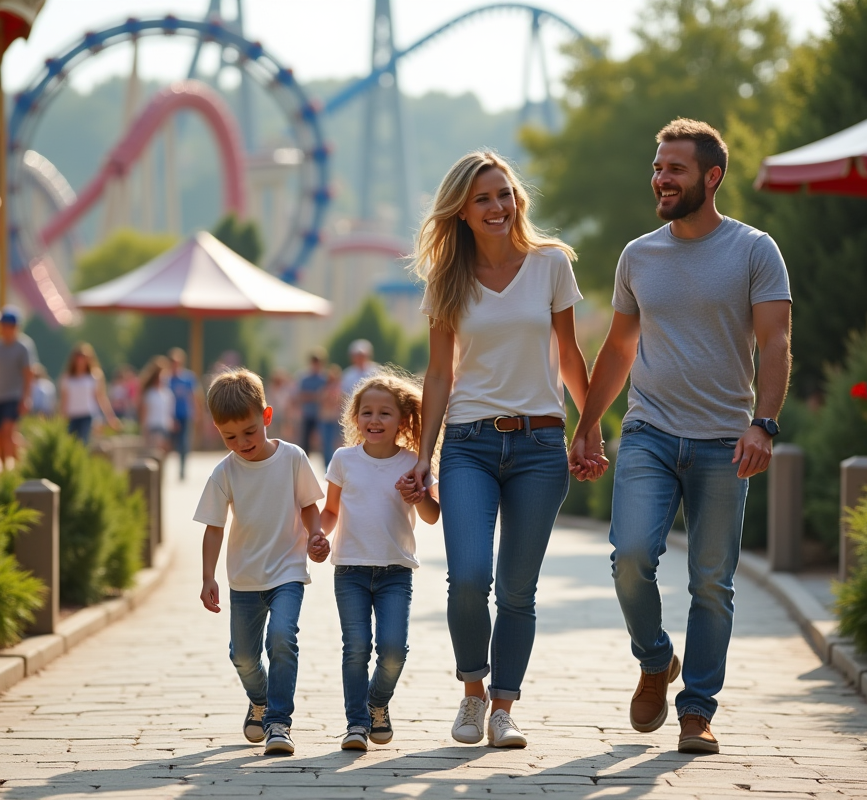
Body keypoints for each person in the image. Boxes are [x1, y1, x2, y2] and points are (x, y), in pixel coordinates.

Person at [569, 119, 792, 755]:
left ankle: (696, 708)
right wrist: (586, 427)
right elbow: (619, 346)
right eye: (658, 168)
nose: (661, 179)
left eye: (675, 169)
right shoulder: (639, 255)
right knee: (631, 555)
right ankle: (654, 657)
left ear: (711, 177)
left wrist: (764, 422)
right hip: (649, 431)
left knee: (711, 581)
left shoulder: (754, 250)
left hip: (726, 439)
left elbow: (775, 340)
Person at [404, 150, 602, 749]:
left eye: (505, 194)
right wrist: (424, 454)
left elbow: (568, 354)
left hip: (541, 444)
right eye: (483, 198)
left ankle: (504, 708)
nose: (498, 206)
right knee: (467, 577)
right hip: (468, 443)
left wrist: (589, 426)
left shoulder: (550, 266)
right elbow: (439, 375)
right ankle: (471, 692)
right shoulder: (447, 280)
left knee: (518, 588)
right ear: (461, 211)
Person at [194, 369, 328, 757]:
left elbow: (309, 505)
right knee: (243, 655)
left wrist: (316, 535)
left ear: (267, 417)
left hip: (287, 570)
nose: (241, 443)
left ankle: (278, 722)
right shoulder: (225, 472)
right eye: (229, 436)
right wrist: (207, 577)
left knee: (283, 638)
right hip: (244, 578)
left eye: (249, 432)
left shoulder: (292, 458)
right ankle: (260, 699)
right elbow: (214, 528)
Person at [319, 371, 440, 751]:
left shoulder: (414, 462)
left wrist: (416, 495)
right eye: (367, 412)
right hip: (350, 568)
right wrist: (316, 534)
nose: (375, 420)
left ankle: (376, 703)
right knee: (355, 646)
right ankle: (356, 723)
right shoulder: (343, 460)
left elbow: (433, 515)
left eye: (385, 413)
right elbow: (331, 511)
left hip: (396, 571)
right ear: (355, 419)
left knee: (393, 649)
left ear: (402, 421)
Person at [0, 307, 32, 468]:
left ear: (15, 327)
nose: (4, 329)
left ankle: (17, 467)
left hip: (14, 395)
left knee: (7, 431)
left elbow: (28, 374)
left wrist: (26, 398)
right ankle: (4, 468)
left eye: (7, 325)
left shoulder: (23, 347)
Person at [61, 343, 121, 445]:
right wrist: (61, 418)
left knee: (83, 442)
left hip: (87, 415)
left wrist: (110, 417)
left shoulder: (94, 376)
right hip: (72, 415)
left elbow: (101, 397)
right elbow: (64, 400)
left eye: (83, 357)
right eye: (78, 357)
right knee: (70, 444)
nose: (80, 360)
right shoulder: (67, 378)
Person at [168, 347, 203, 480]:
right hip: (171, 416)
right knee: (170, 443)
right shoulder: (166, 379)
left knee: (184, 443)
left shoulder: (188, 378)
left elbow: (194, 395)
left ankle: (182, 470)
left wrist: (198, 412)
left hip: (184, 415)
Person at [139, 356, 174, 456]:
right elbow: (144, 412)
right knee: (155, 452)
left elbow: (169, 412)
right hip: (153, 426)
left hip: (165, 427)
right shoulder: (150, 394)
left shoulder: (167, 394)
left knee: (163, 455)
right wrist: (144, 430)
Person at [296, 347, 328, 456]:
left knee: (324, 441)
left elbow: (325, 397)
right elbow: (301, 396)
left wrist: (311, 396)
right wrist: (316, 396)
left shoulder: (325, 378)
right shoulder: (304, 378)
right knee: (305, 442)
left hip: (321, 415)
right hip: (308, 414)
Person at [319, 363, 344, 467]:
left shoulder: (341, 388)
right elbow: (323, 402)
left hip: (336, 418)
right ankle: (328, 466)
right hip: (326, 418)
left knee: (337, 443)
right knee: (327, 444)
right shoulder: (324, 388)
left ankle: (336, 466)